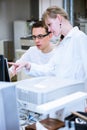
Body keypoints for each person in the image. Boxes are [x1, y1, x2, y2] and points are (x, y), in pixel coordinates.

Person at [10, 6, 87, 81]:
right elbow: (50, 69)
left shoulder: (79, 38)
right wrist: (28, 65)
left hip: (77, 92)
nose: (49, 29)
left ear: (59, 18)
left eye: (49, 24)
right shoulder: (61, 44)